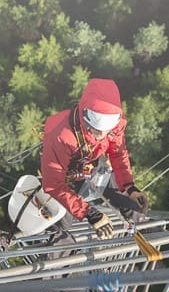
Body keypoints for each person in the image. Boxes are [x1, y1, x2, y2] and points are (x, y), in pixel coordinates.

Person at [40, 78, 149, 241]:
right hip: (64, 179)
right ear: (85, 116)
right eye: (96, 130)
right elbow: (53, 184)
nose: (101, 135)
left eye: (106, 131)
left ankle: (146, 235)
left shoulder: (114, 124)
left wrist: (129, 187)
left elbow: (118, 153)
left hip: (92, 168)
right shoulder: (61, 135)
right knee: (61, 228)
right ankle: (61, 260)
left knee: (133, 207)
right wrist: (89, 212)